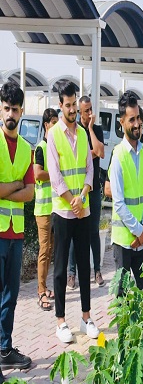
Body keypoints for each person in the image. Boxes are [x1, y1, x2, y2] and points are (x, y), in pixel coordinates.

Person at [47, 80, 99, 343]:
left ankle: (86, 316)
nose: (71, 110)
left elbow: (90, 168)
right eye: (67, 105)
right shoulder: (53, 135)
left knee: (83, 265)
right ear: (60, 105)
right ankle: (61, 322)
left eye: (73, 105)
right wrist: (72, 201)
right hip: (63, 213)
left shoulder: (81, 132)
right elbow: (55, 177)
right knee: (59, 270)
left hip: (83, 209)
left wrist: (83, 195)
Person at [0, 82, 34, 377]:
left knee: (10, 295)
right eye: (7, 108)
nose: (11, 113)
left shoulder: (26, 148)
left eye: (16, 109)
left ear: (22, 111)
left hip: (16, 233)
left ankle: (4, 349)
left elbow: (31, 192)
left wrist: (6, 190)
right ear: (1, 108)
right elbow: (21, 188)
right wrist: (17, 186)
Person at [109, 92, 143, 291]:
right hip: (123, 241)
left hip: (141, 239)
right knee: (122, 298)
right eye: (132, 120)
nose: (137, 124)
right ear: (122, 122)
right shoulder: (118, 155)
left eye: (138, 118)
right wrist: (139, 231)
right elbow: (118, 202)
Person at [67, 96, 105, 290]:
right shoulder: (74, 131)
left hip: (94, 191)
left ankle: (97, 270)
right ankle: (71, 273)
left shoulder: (95, 130)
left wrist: (90, 128)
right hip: (78, 189)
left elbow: (101, 152)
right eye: (86, 111)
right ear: (79, 112)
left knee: (93, 232)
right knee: (75, 231)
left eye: (91, 109)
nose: (89, 113)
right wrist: (91, 153)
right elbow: (80, 157)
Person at [34, 108, 58, 311]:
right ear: (45, 125)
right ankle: (40, 292)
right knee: (44, 251)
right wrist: (56, 174)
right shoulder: (41, 148)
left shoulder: (54, 147)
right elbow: (38, 174)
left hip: (55, 208)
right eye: (53, 123)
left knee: (50, 250)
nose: (56, 127)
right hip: (43, 209)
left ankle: (45, 286)